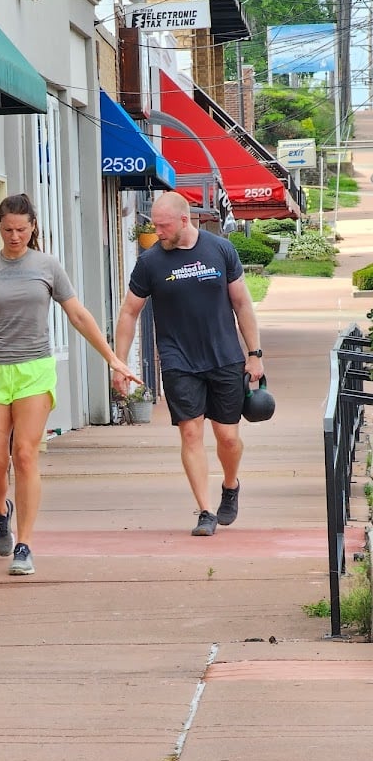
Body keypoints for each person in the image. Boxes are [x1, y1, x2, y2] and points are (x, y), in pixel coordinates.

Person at [0, 193, 138, 576]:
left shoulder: (48, 266)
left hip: (34, 368)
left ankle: (24, 543)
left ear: (33, 226)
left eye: (21, 229)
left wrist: (112, 358)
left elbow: (78, 315)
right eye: (7, 230)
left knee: (25, 454)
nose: (14, 236)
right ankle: (1, 511)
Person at [112, 191, 264, 537]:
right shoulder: (150, 262)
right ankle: (206, 511)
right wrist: (119, 363)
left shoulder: (220, 249)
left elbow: (242, 304)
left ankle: (230, 485)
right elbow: (128, 313)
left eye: (163, 226)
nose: (158, 232)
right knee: (191, 431)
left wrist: (255, 354)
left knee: (227, 437)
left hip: (225, 356)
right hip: (178, 359)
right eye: (155, 225)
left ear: (185, 220)